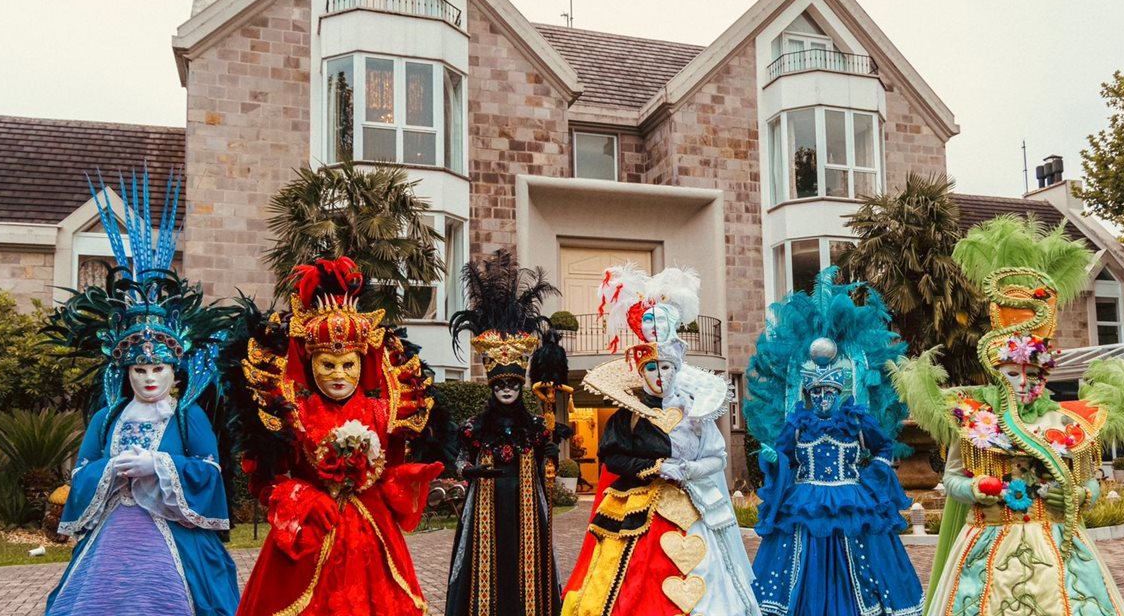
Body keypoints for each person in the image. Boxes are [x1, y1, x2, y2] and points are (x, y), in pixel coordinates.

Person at [894, 216, 1124, 616]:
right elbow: (951, 478)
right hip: (989, 542)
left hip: (1057, 543)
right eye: (1011, 372)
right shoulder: (973, 417)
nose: (1022, 382)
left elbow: (1090, 483)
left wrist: (1077, 495)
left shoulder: (1066, 423)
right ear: (995, 369)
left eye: (1032, 373)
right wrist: (977, 488)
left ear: (1044, 374)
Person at [45, 171, 239, 616]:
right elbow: (81, 476)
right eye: (139, 369)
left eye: (158, 368)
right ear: (126, 372)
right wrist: (110, 471)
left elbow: (211, 473)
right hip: (111, 537)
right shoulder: (107, 419)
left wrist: (160, 464)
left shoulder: (190, 417)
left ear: (175, 371)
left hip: (176, 538)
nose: (149, 378)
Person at [233, 257, 442, 616]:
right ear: (311, 363)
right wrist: (303, 498)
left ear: (362, 363)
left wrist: (403, 477)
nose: (339, 374)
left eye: (348, 364)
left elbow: (391, 473)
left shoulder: (382, 412)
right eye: (328, 364)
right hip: (313, 530)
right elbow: (269, 479)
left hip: (372, 536)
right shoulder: (294, 412)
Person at [563, 264, 760, 616]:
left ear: (676, 368)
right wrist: (655, 467)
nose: (659, 375)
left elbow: (717, 458)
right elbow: (613, 458)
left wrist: (688, 469)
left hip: (694, 502)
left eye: (665, 367)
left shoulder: (697, 412)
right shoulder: (629, 415)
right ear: (641, 373)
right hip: (640, 507)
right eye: (651, 368)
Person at [746, 268, 922, 616]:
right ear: (809, 393)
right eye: (818, 392)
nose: (824, 398)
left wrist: (873, 477)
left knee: (860, 557)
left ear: (839, 392)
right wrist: (773, 459)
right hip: (806, 499)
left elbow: (883, 448)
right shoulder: (798, 425)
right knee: (802, 555)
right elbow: (785, 457)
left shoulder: (856, 422)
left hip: (851, 497)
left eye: (829, 392)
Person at [445, 249, 563, 616]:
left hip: (527, 512)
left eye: (514, 383)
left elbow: (548, 466)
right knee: (487, 574)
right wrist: (471, 472)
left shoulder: (537, 427)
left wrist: (551, 455)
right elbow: (460, 461)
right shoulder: (474, 428)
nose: (508, 389)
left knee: (527, 573)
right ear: (492, 387)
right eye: (501, 385)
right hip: (486, 512)